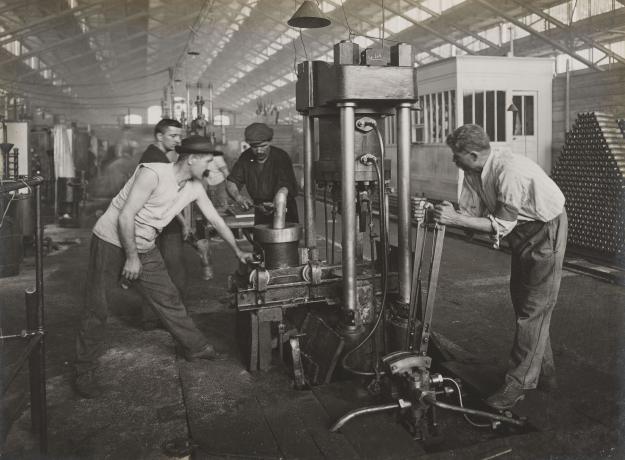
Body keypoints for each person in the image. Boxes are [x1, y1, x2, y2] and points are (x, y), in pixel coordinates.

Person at [73, 135, 253, 398]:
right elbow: (126, 216)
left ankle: (196, 347)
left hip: (144, 243)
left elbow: (216, 219)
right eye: (207, 161)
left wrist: (238, 251)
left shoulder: (194, 187)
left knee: (168, 297)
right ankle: (82, 371)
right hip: (111, 240)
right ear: (190, 159)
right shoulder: (153, 174)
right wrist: (132, 258)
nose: (210, 168)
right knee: (97, 306)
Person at [432, 124, 567, 411]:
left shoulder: (509, 170)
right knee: (524, 303)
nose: (453, 161)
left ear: (472, 154)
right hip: (522, 232)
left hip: (545, 228)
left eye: (456, 156)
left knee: (535, 309)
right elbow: (472, 215)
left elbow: (501, 224)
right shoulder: (472, 172)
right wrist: (449, 213)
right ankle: (545, 375)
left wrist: (454, 220)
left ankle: (517, 385)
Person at [138, 119, 187, 330]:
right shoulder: (154, 160)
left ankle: (153, 317)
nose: (178, 140)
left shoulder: (156, 156)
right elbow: (164, 197)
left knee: (158, 272)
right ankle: (162, 319)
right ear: (159, 136)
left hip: (161, 222)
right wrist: (184, 223)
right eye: (173, 136)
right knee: (172, 273)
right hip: (165, 225)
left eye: (179, 136)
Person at [226, 123, 299, 225]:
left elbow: (285, 186)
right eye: (254, 147)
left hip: (285, 212)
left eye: (263, 146)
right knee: (262, 238)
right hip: (260, 211)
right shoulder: (245, 157)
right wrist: (239, 198)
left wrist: (275, 203)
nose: (259, 151)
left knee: (284, 239)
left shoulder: (281, 157)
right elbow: (232, 181)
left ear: (270, 142)